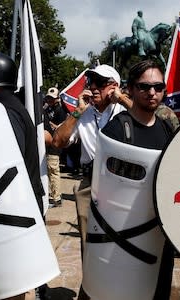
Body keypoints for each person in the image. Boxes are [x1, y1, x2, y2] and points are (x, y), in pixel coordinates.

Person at [0, 51, 46, 300]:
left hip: (14, 207)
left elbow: (5, 165)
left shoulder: (2, 111)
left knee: (10, 283)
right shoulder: (10, 105)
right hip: (19, 203)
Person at [51, 64, 131, 288]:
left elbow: (146, 121)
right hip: (90, 181)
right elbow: (58, 142)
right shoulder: (83, 114)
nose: (93, 88)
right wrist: (77, 111)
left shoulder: (125, 111)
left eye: (100, 83)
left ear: (114, 87)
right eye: (91, 83)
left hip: (121, 182)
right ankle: (92, 288)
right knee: (90, 242)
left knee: (122, 241)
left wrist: (122, 99)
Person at [101, 60, 175, 300]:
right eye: (144, 87)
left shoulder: (167, 129)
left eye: (158, 86)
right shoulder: (116, 130)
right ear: (130, 89)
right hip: (125, 236)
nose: (152, 92)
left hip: (159, 236)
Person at [44, 87, 67, 208]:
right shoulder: (47, 109)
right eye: (48, 98)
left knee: (53, 171)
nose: (49, 100)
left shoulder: (61, 110)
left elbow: (63, 128)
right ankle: (54, 195)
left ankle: (56, 197)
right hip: (47, 145)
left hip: (54, 145)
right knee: (49, 171)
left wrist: (51, 125)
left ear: (57, 99)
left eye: (52, 98)